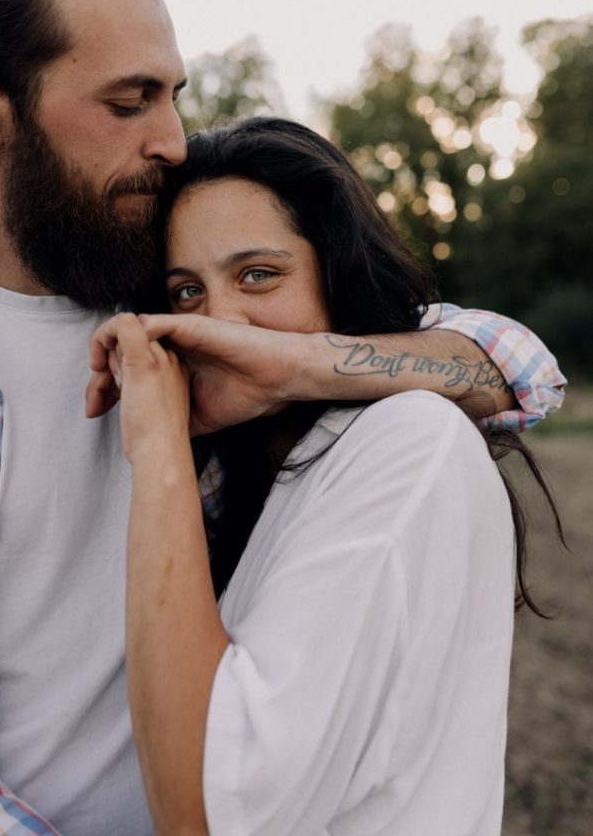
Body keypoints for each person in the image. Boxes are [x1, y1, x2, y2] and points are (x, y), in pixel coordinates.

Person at [0, 0, 564, 834]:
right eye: (130, 101)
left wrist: (293, 358)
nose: (173, 140)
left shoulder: (188, 306)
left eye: (174, 96)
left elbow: (519, 370)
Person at [91, 117, 564, 836]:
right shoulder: (238, 466)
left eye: (259, 275)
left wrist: (280, 371)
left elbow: (207, 812)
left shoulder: (404, 437)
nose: (219, 322)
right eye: (186, 292)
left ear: (335, 272)